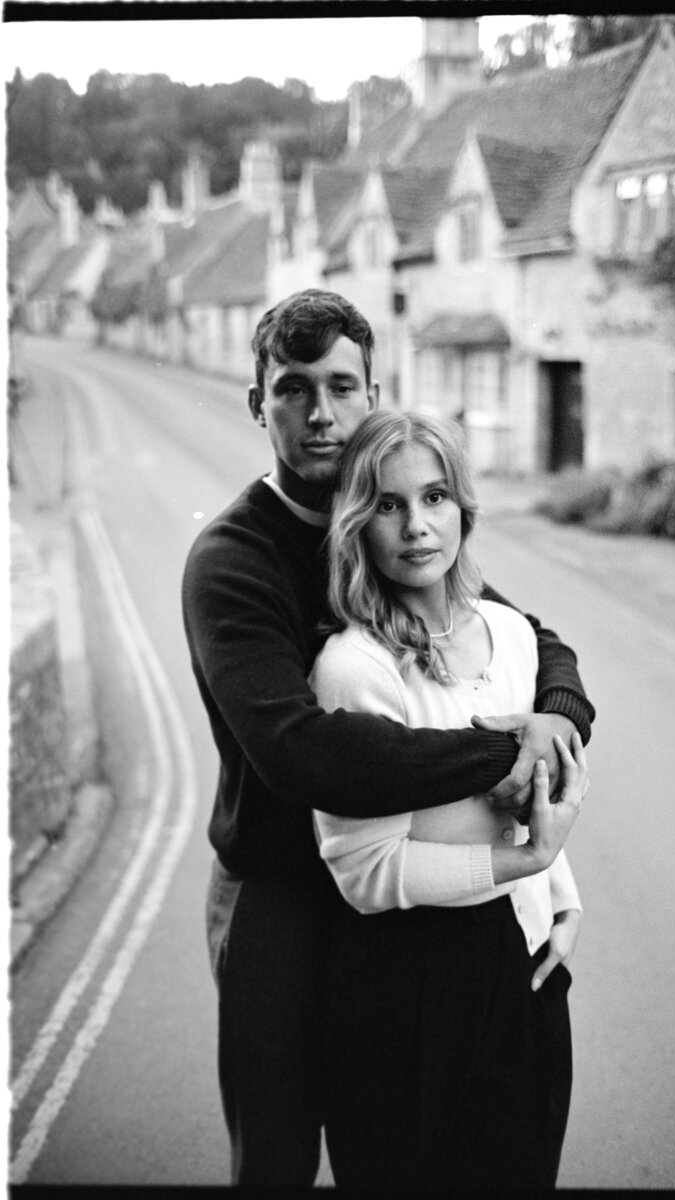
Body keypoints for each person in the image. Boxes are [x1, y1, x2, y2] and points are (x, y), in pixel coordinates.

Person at [181, 288, 595, 1186]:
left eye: (341, 385)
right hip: (284, 888)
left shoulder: (392, 525)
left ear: (374, 391)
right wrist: (508, 751)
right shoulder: (233, 560)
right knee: (282, 1159)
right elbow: (302, 753)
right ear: (259, 404)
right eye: (293, 389)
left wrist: (555, 720)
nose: (320, 412)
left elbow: (526, 640)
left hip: (398, 901)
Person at [311, 410, 589, 1190]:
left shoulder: (514, 636)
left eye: (434, 498)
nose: (416, 527)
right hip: (404, 991)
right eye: (389, 506)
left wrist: (559, 896)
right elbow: (364, 874)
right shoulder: (355, 668)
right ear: (357, 526)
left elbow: (545, 793)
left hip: (526, 970)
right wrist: (529, 858)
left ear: (463, 507)